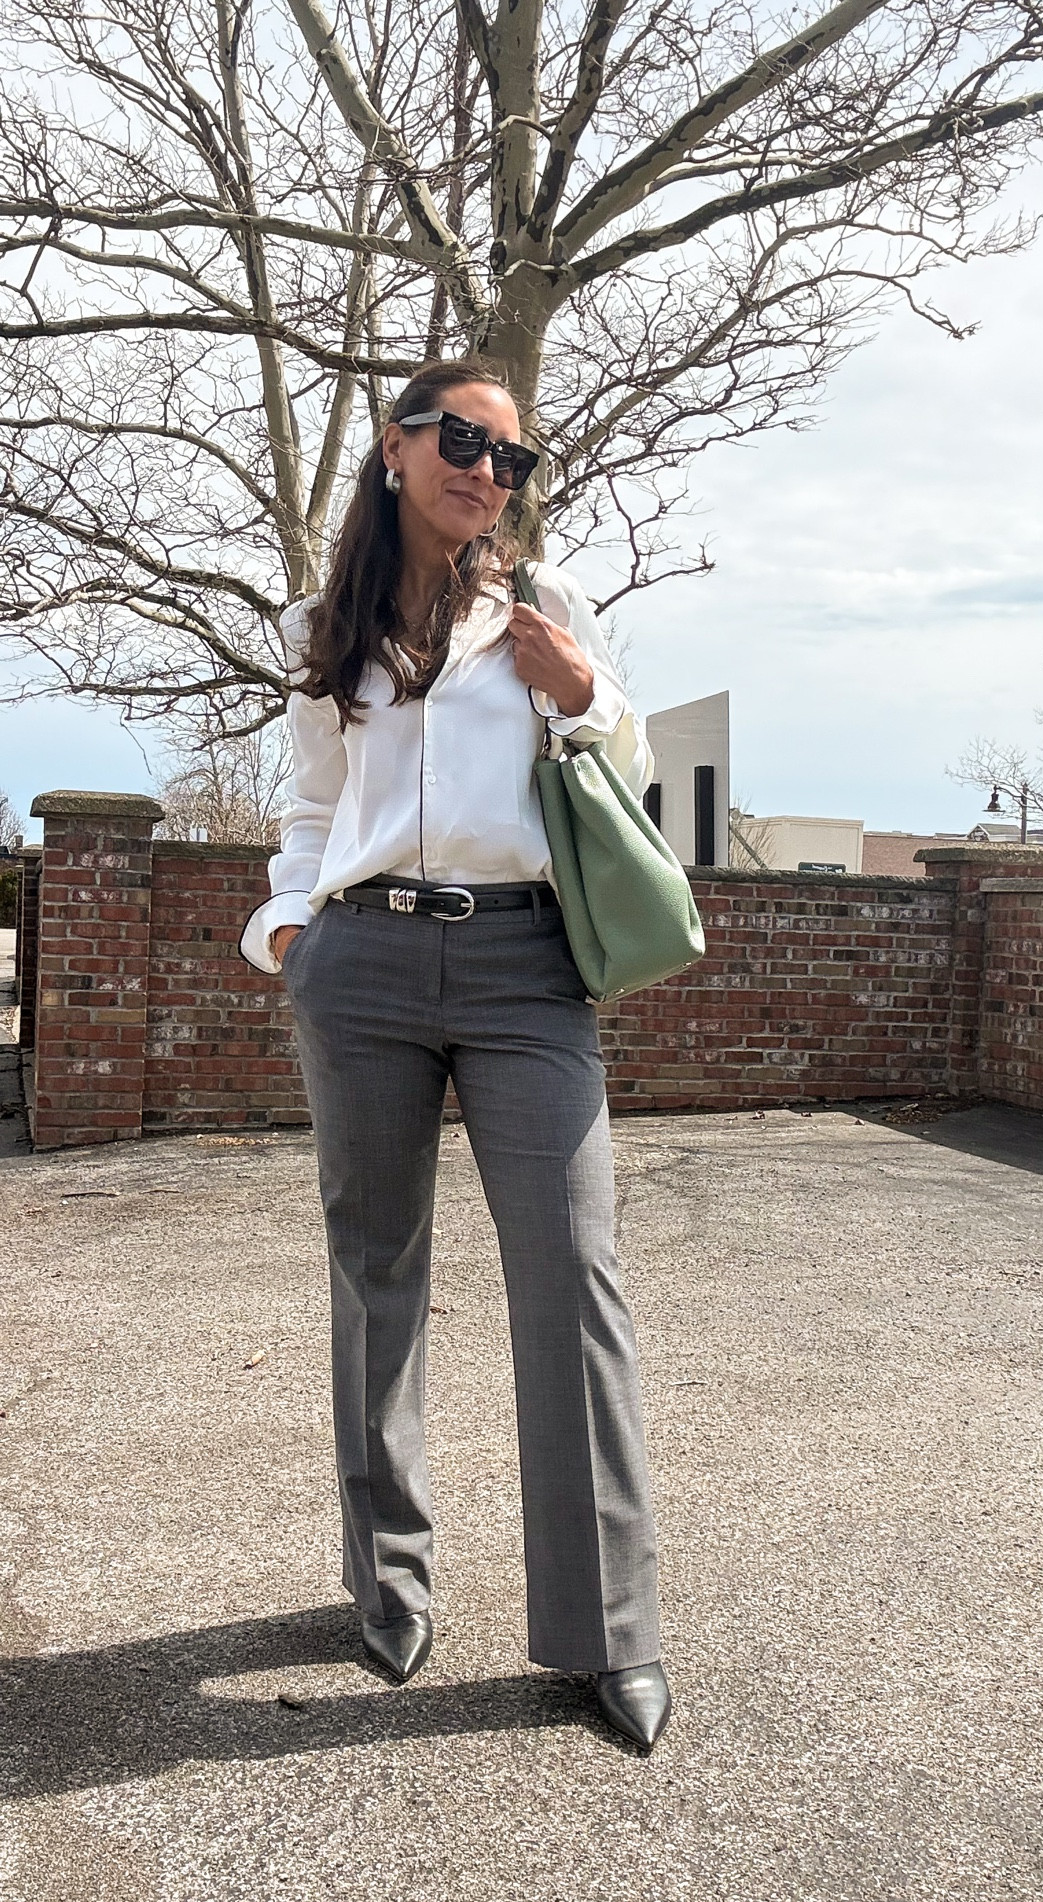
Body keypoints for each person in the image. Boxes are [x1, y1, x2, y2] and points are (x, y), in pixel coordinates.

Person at [241, 357, 670, 1752]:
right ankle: (388, 1581)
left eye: (513, 456)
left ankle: (607, 1635)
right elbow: (311, 811)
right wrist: (294, 935)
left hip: (526, 964)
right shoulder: (330, 626)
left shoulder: (545, 608)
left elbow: (638, 765)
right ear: (394, 446)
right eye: (465, 440)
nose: (489, 468)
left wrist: (583, 689)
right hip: (360, 966)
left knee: (573, 1273)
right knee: (378, 1275)